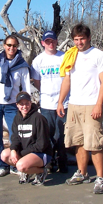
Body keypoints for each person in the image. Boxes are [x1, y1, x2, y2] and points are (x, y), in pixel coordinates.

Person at [56, 23, 103, 194]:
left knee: (95, 144)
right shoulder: (71, 55)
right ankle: (82, 173)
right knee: (78, 142)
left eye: (82, 39)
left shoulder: (99, 55)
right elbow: (67, 80)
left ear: (88, 38)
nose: (79, 42)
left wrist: (98, 104)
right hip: (74, 104)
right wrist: (60, 101)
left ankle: (100, 178)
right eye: (76, 39)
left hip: (91, 105)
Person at [0, 34, 32, 177]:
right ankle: (1, 165)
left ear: (17, 47)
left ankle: (14, 163)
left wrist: (26, 105)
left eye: (14, 45)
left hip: (12, 105)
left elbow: (26, 88)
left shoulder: (22, 66)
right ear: (4, 46)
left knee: (15, 136)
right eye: (9, 45)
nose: (11, 48)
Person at [31, 30, 68, 173]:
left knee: (62, 135)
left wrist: (62, 98)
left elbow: (68, 79)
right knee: (48, 134)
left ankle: (63, 162)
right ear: (43, 43)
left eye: (52, 41)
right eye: (47, 42)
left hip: (64, 102)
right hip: (46, 103)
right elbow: (37, 81)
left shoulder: (64, 57)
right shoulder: (38, 61)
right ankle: (50, 162)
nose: (50, 44)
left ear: (57, 41)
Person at [0, 91, 52, 186]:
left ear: (30, 103)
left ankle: (41, 171)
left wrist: (21, 154)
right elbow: (15, 137)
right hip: (26, 152)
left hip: (41, 153)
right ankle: (27, 170)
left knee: (20, 165)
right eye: (21, 104)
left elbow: (42, 144)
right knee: (5, 155)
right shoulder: (17, 118)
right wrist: (13, 150)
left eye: (27, 103)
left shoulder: (39, 118)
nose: (24, 107)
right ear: (17, 105)